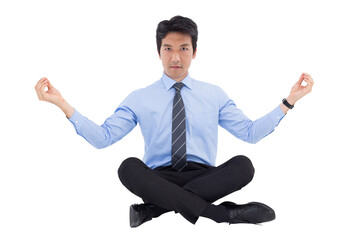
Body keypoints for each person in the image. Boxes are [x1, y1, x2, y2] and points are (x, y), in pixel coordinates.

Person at [35, 15, 314, 227]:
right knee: (128, 167)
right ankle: (223, 214)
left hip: (204, 176)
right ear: (159, 52)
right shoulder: (140, 97)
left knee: (244, 165)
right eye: (168, 49)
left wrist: (289, 101)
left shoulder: (213, 94)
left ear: (194, 52)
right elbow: (102, 138)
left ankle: (155, 209)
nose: (176, 57)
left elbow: (250, 133)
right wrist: (61, 103)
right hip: (159, 176)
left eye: (183, 48)